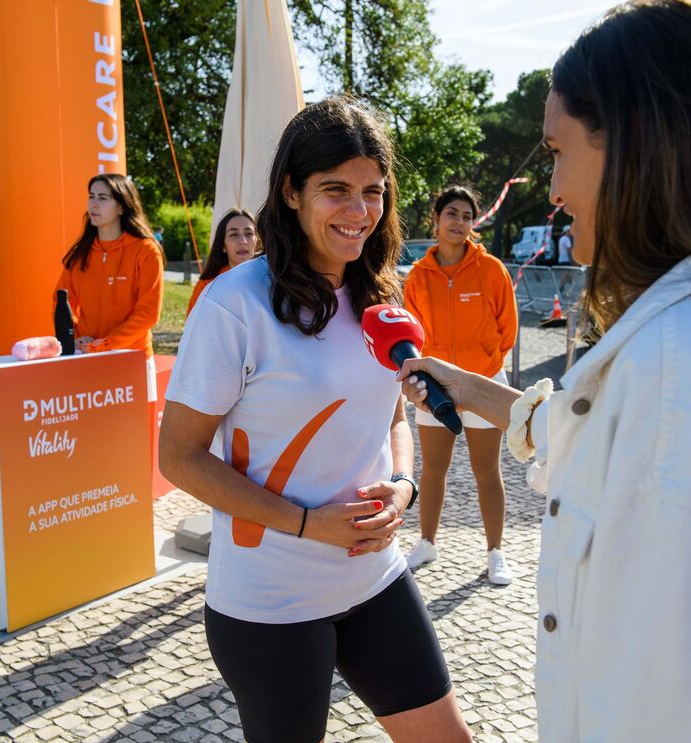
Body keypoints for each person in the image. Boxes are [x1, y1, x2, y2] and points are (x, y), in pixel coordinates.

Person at [399, 1, 691, 740]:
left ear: (634, 146)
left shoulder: (678, 371)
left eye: (558, 151)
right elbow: (607, 451)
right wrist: (468, 388)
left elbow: (661, 711)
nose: (552, 192)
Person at [159, 98, 471, 743]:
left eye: (373, 191)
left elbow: (392, 415)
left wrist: (403, 487)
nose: (359, 211)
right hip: (271, 600)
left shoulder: (379, 295)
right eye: (336, 190)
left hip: (375, 576)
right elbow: (179, 457)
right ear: (290, 192)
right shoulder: (234, 304)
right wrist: (306, 523)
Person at [402, 186, 519, 585]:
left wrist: (481, 371)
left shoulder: (492, 270)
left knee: (487, 471)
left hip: (485, 385)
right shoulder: (418, 276)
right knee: (433, 470)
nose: (459, 222)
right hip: (434, 390)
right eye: (452, 213)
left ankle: (495, 552)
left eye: (467, 216)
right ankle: (426, 542)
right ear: (436, 219)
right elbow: (413, 335)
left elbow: (508, 331)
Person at [55, 174, 164, 358]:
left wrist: (108, 343)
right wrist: (74, 337)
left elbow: (148, 312)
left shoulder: (146, 251)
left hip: (132, 357)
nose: (94, 204)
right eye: (91, 196)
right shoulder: (81, 252)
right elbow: (61, 301)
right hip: (86, 353)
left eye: (102, 198)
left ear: (122, 207)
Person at [186, 208, 258, 317]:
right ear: (223, 245)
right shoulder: (206, 286)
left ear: (257, 241)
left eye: (249, 233)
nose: (243, 241)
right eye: (234, 234)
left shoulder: (271, 281)